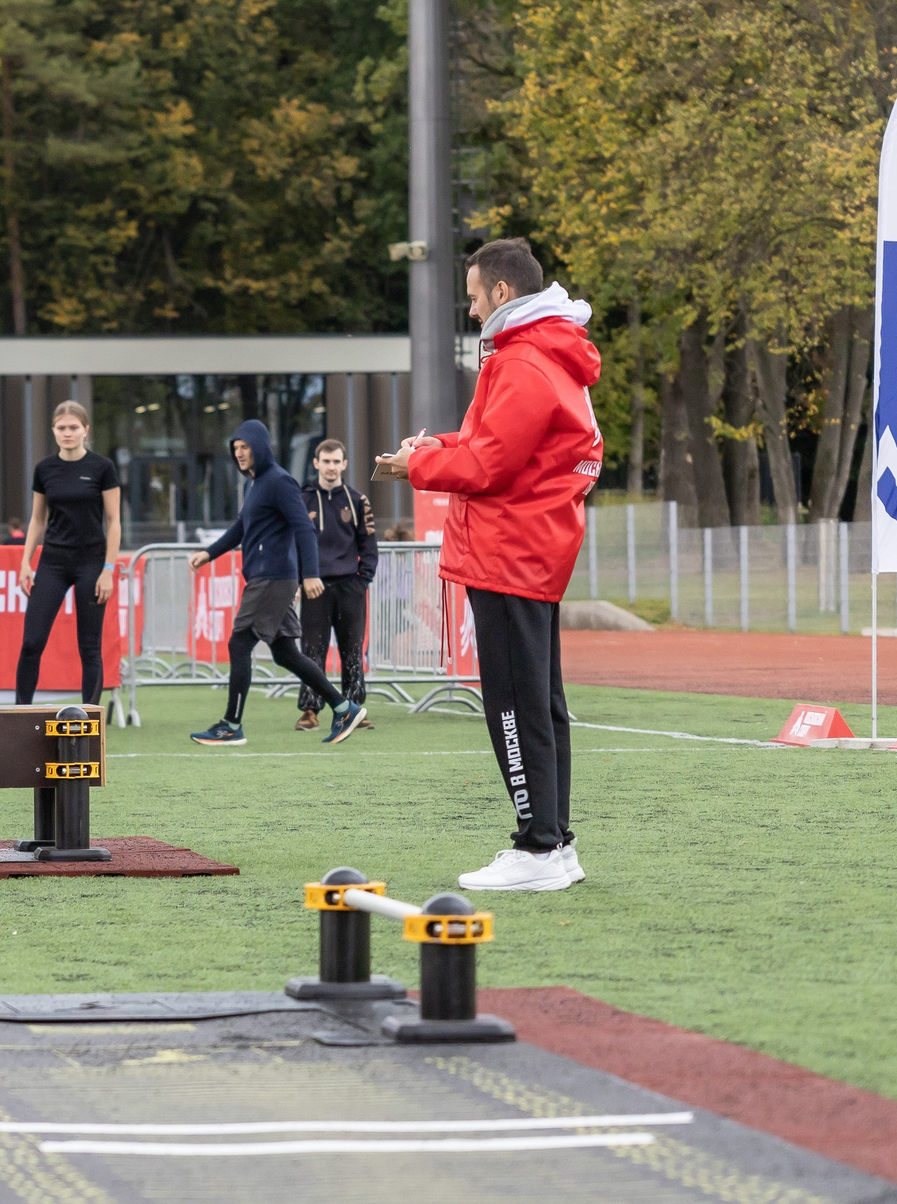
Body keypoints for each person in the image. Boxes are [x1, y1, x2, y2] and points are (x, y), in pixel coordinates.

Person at [378, 238, 601, 894]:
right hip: (527, 546)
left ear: (502, 293)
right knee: (539, 702)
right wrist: (436, 446)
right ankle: (553, 843)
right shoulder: (540, 355)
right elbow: (489, 447)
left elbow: (487, 466)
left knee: (513, 703)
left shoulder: (525, 362)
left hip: (510, 549)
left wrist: (413, 465)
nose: (472, 311)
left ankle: (537, 846)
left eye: (474, 297)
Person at [188, 419, 364, 747]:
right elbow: (241, 527)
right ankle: (344, 707)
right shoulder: (253, 484)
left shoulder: (280, 482)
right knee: (285, 653)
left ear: (261, 447)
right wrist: (208, 553)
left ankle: (231, 724)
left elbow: (304, 528)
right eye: (236, 448)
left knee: (239, 644)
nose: (240, 453)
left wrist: (310, 574)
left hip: (273, 577)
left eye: (245, 447)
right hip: (267, 577)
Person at [14, 399, 120, 706]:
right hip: (53, 563)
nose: (67, 433)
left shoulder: (102, 468)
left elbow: (113, 522)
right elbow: (37, 519)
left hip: (92, 563)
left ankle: (91, 719)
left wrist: (108, 570)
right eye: (61, 428)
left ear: (85, 430)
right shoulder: (45, 469)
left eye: (73, 427)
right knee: (32, 642)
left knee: (89, 647)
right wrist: (25, 562)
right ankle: (21, 713)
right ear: (53, 431)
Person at [295, 439, 377, 731]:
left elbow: (369, 544)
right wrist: (300, 579)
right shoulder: (301, 499)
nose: (331, 467)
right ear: (316, 463)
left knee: (352, 651)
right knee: (311, 651)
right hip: (314, 587)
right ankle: (309, 710)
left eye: (336, 462)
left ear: (344, 464)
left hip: (350, 587)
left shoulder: (357, 500)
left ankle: (355, 708)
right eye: (325, 461)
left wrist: (362, 579)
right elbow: (293, 543)